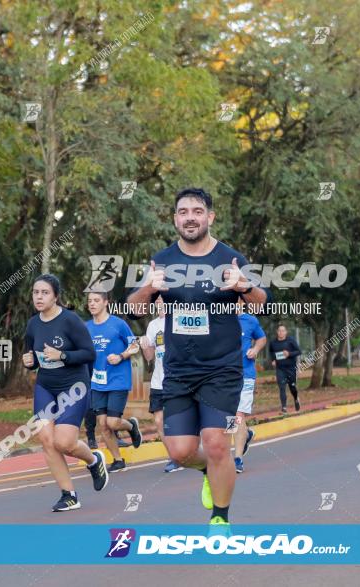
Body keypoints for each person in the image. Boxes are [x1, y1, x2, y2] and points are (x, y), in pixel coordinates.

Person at [126, 187, 272, 528]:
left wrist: (243, 286)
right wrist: (149, 288)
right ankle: (209, 469)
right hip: (178, 370)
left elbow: (262, 302)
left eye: (197, 211)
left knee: (217, 441)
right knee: (179, 451)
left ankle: (220, 518)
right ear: (175, 219)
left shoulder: (230, 258)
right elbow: (134, 307)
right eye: (183, 211)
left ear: (210, 217)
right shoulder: (161, 261)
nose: (190, 217)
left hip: (222, 369)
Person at [22, 274, 109, 511]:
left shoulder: (70, 321)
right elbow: (33, 358)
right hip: (45, 387)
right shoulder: (33, 324)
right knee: (47, 440)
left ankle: (93, 460)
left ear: (56, 296)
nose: (39, 297)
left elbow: (89, 354)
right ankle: (69, 494)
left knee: (64, 442)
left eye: (45, 293)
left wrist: (62, 355)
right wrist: (29, 361)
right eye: (35, 292)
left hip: (74, 387)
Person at [85, 291, 143, 473]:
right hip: (97, 381)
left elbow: (135, 345)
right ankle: (118, 460)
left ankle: (131, 426)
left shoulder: (118, 324)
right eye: (89, 301)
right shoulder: (86, 327)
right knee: (102, 424)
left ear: (106, 303)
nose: (92, 304)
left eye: (96, 300)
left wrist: (121, 356)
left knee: (113, 422)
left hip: (118, 379)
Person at [140, 296, 182, 473]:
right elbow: (149, 356)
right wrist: (144, 345)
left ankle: (189, 449)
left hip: (179, 379)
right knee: (159, 421)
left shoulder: (180, 320)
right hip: (158, 381)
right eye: (156, 300)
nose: (159, 303)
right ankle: (174, 457)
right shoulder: (153, 325)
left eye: (162, 299)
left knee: (179, 419)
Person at [234, 303, 266, 473]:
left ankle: (237, 458)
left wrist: (255, 349)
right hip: (224, 376)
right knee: (231, 416)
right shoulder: (219, 319)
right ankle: (246, 435)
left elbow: (262, 338)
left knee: (238, 415)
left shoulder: (250, 320)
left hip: (245, 374)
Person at [270, 325, 302, 413]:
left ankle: (296, 399)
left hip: (291, 368)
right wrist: (273, 360)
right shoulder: (273, 342)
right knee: (282, 387)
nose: (281, 332)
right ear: (277, 332)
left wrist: (289, 354)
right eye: (279, 331)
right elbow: (271, 352)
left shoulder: (290, 340)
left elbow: (299, 351)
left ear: (286, 332)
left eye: (283, 331)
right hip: (280, 368)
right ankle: (284, 408)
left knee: (292, 387)